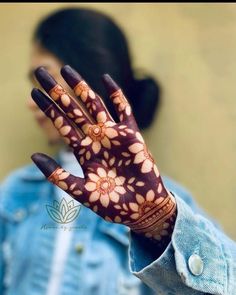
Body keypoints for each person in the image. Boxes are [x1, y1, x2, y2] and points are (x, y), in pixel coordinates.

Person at [0, 7, 235, 295]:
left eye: (43, 80)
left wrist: (158, 226)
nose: (31, 101)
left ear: (83, 74)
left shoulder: (164, 207)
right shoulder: (15, 194)